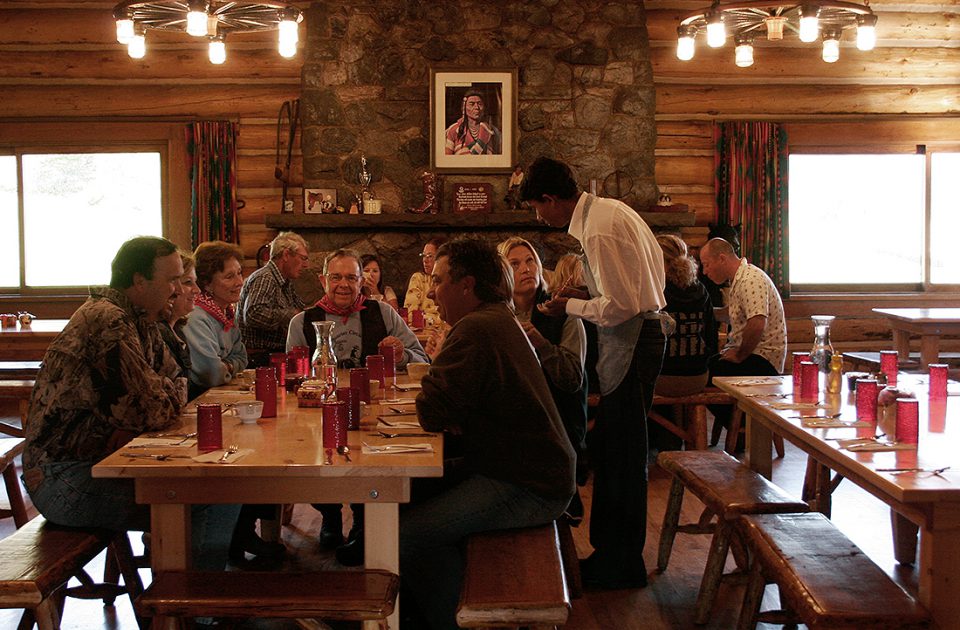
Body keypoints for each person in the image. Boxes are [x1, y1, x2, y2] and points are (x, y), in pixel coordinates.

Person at [21, 236, 239, 571]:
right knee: (206, 497)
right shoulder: (107, 320)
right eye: (171, 280)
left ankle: (201, 597)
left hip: (99, 462)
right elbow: (148, 410)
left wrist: (158, 396)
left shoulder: (140, 318)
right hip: (62, 478)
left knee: (222, 488)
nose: (178, 290)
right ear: (140, 281)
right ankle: (194, 609)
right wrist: (156, 398)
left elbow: (175, 383)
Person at [401, 238, 574, 630]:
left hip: (527, 482)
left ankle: (450, 620)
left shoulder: (476, 328)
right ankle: (417, 605)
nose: (431, 290)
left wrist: (449, 401)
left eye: (439, 280)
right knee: (406, 496)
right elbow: (449, 407)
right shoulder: (497, 317)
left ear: (467, 285)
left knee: (407, 536)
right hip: (522, 466)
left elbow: (431, 411)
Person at [520, 156, 667, 590]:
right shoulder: (611, 210)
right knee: (615, 449)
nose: (538, 216)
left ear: (551, 199)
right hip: (643, 334)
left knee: (622, 456)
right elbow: (643, 277)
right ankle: (614, 555)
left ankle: (620, 563)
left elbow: (621, 306)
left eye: (537, 207)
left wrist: (571, 306)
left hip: (634, 339)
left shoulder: (599, 227)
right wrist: (588, 292)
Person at [286, 249, 429, 561]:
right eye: (336, 277)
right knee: (311, 453)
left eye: (351, 277)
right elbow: (292, 378)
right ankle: (330, 514)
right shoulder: (302, 322)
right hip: (320, 412)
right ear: (323, 280)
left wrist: (401, 354)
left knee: (370, 457)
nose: (343, 284)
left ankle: (365, 523)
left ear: (363, 281)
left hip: (373, 410)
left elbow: (422, 360)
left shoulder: (384, 314)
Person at [498, 236, 587, 519]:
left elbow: (573, 378)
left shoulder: (563, 311)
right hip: (512, 424)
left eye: (530, 261)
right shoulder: (496, 315)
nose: (526, 269)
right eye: (514, 264)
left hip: (556, 424)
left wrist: (541, 344)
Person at [700, 237, 786, 433]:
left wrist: (739, 355)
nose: (705, 272)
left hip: (762, 360)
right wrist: (704, 310)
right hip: (753, 355)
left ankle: (745, 428)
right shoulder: (740, 278)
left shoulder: (749, 279)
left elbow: (757, 322)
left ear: (722, 258)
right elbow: (731, 315)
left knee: (702, 375)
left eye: (707, 265)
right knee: (704, 368)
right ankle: (739, 426)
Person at [655, 234, 718, 397]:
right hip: (698, 377)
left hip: (660, 379)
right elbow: (712, 338)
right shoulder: (701, 290)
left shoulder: (655, 292)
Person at [183, 240, 249, 395]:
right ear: (207, 284)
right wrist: (229, 366)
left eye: (239, 273)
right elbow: (212, 374)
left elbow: (242, 358)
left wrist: (226, 366)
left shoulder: (225, 314)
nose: (239, 282)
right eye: (229, 277)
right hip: (197, 403)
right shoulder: (196, 317)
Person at [236, 231, 308, 367]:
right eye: (303, 258)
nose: (306, 265)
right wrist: (293, 315)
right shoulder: (265, 277)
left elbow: (301, 310)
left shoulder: (285, 282)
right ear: (286, 255)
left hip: (271, 356)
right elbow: (253, 314)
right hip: (259, 359)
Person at [158, 251, 200, 378]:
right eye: (188, 282)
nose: (197, 290)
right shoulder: (157, 332)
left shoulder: (178, 330)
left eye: (195, 282)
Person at [443, 89, 501, 156]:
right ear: (464, 107)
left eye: (480, 104)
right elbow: (446, 160)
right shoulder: (453, 130)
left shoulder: (492, 131)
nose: (476, 107)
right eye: (472, 104)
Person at [404, 237, 444, 326]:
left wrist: (425, 315)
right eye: (423, 256)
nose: (425, 260)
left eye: (430, 256)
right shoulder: (418, 278)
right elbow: (410, 315)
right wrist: (434, 318)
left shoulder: (448, 280)